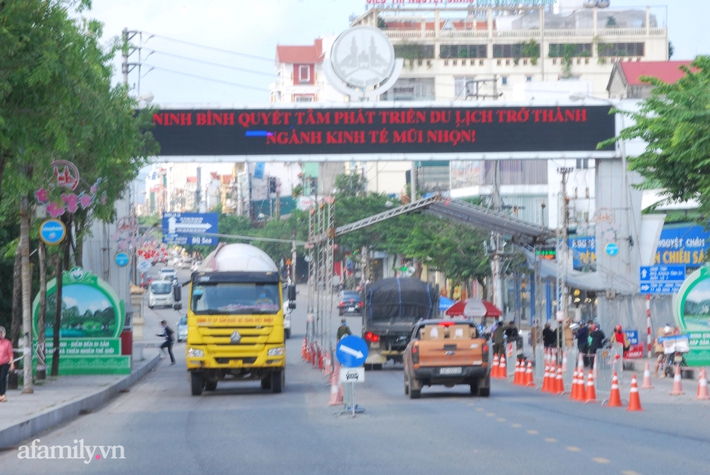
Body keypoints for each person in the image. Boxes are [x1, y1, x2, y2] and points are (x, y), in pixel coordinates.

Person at [0, 326, 14, 403]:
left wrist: (12, 364)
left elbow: (10, 354)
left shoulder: (7, 343)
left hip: (4, 363)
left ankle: (3, 394)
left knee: (2, 378)